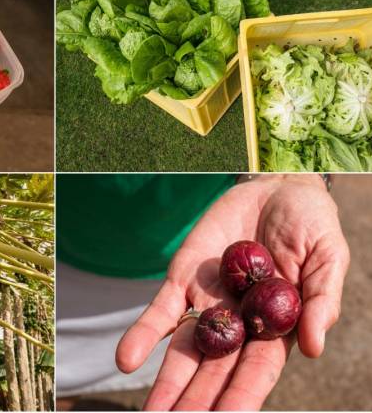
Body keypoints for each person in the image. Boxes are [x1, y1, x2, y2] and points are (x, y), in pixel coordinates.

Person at [56, 173, 349, 411]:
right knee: (61, 376)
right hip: (66, 240)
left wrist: (291, 176)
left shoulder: (203, 302)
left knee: (138, 359)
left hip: (181, 276)